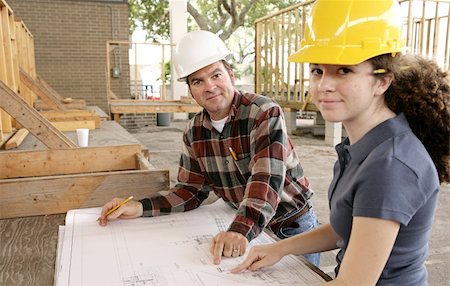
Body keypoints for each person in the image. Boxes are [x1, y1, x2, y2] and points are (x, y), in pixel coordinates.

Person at [231, 0, 449, 285]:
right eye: (318, 70)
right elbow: (343, 228)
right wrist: (279, 248)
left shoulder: (390, 165)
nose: (324, 85)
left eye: (344, 70)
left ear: (382, 81)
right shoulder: (363, 145)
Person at [99, 30, 320, 266]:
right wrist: (139, 207)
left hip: (291, 227)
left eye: (216, 75)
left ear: (231, 75)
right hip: (246, 228)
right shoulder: (194, 132)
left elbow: (266, 179)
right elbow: (190, 191)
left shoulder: (263, 112)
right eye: (198, 81)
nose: (209, 86)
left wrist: (239, 230)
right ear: (191, 90)